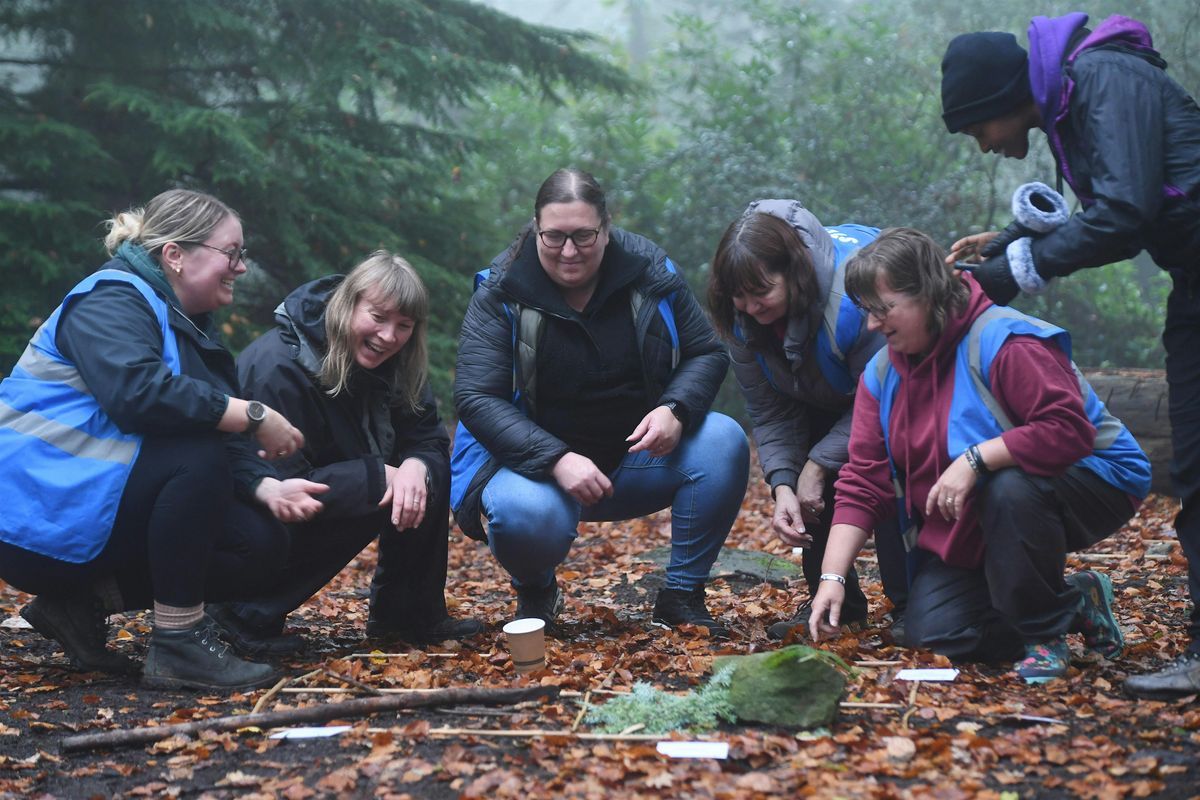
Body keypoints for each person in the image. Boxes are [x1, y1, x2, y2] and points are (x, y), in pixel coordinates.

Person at [940, 12, 1200, 696]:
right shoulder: (1077, 98)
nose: (984, 146)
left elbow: (1124, 212)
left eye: (976, 129)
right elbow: (1115, 205)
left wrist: (1009, 273)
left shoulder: (1104, 81)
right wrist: (1010, 242)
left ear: (1001, 101)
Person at [0, 189, 329, 691]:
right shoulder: (111, 296)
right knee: (192, 453)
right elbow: (137, 394)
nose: (240, 268)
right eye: (232, 253)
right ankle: (178, 644)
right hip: (31, 517)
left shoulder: (182, 324)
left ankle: (78, 607)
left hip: (83, 506)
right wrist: (253, 412)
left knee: (257, 542)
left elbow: (212, 427)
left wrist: (264, 487)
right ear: (174, 255)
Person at [808, 228, 1150, 683]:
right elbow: (863, 480)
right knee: (931, 633)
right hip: (984, 514)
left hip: (1093, 480)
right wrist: (832, 577)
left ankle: (1044, 635)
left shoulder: (1006, 342)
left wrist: (976, 459)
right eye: (867, 311)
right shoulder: (882, 372)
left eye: (883, 309)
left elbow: (1069, 432)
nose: (872, 325)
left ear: (928, 294)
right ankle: (1074, 602)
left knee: (1008, 486)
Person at [452, 168, 749, 637]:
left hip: (635, 459)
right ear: (535, 229)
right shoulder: (500, 290)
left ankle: (682, 594)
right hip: (538, 475)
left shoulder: (650, 270)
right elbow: (476, 396)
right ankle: (536, 588)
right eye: (554, 237)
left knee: (723, 439)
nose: (569, 251)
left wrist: (676, 408)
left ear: (606, 229)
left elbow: (706, 351)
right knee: (522, 515)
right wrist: (556, 459)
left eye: (584, 236)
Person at [212, 252, 483, 653]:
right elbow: (275, 483)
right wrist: (377, 477)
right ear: (347, 305)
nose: (389, 336)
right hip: (245, 518)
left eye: (403, 325)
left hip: (330, 483)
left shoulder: (399, 361)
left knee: (426, 473)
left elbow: (426, 436)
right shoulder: (278, 368)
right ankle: (239, 617)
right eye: (377, 317)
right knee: (379, 485)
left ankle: (407, 612)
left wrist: (413, 466)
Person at [707, 201, 908, 640]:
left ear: (793, 274)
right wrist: (784, 483)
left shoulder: (853, 302)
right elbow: (770, 410)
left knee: (891, 467)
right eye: (738, 295)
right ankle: (835, 605)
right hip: (820, 393)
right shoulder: (743, 320)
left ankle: (911, 599)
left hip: (898, 400)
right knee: (805, 487)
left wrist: (818, 464)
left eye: (761, 292)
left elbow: (882, 401)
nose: (749, 306)